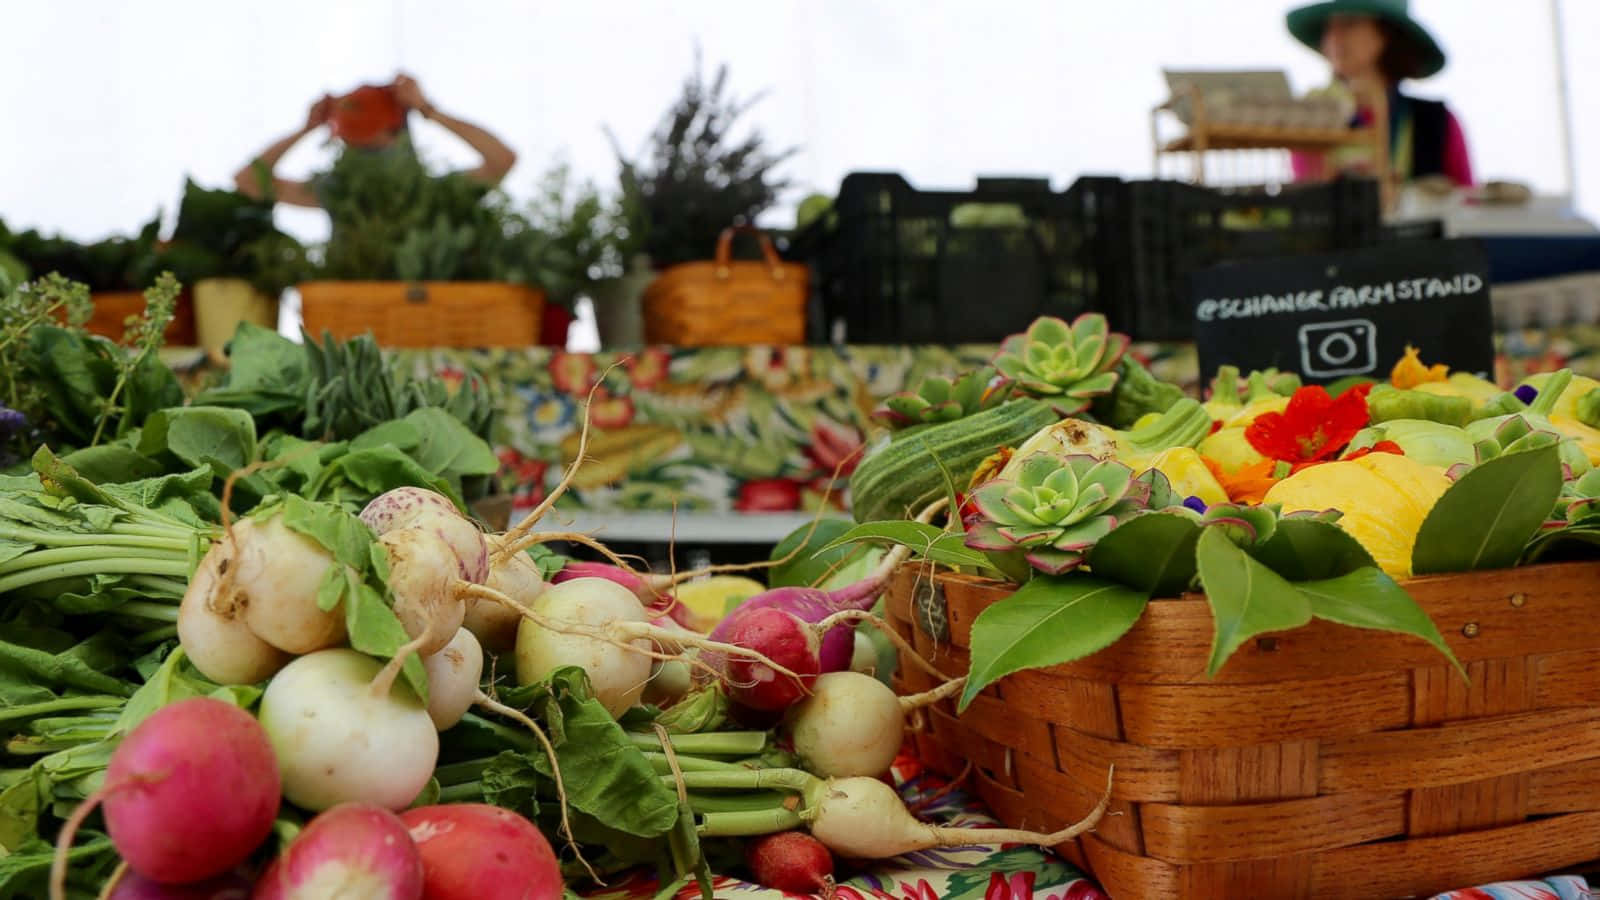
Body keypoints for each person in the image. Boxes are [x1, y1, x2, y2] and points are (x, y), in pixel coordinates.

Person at [233, 73, 517, 207]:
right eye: (352, 143)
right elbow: (248, 182)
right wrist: (305, 129)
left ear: (399, 135)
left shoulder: (431, 196)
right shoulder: (338, 196)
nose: (360, 153)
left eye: (370, 142)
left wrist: (430, 111)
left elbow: (502, 160)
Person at [1286, 0, 1472, 187]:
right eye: (1329, 27)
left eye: (1350, 23)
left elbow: (1468, 203)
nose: (1334, 37)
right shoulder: (1309, 117)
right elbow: (1308, 192)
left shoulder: (1438, 122)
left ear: (1386, 34)